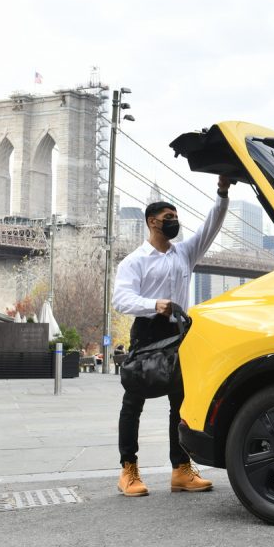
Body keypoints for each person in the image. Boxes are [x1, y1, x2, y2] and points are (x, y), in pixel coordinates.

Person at [112, 177, 231, 497]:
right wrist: (155, 305)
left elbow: (211, 226)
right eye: (168, 218)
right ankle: (128, 470)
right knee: (133, 401)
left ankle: (180, 469)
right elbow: (121, 300)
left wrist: (222, 193)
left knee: (180, 403)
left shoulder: (184, 254)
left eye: (176, 218)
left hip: (180, 334)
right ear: (152, 221)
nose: (174, 222)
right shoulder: (134, 261)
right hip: (147, 332)